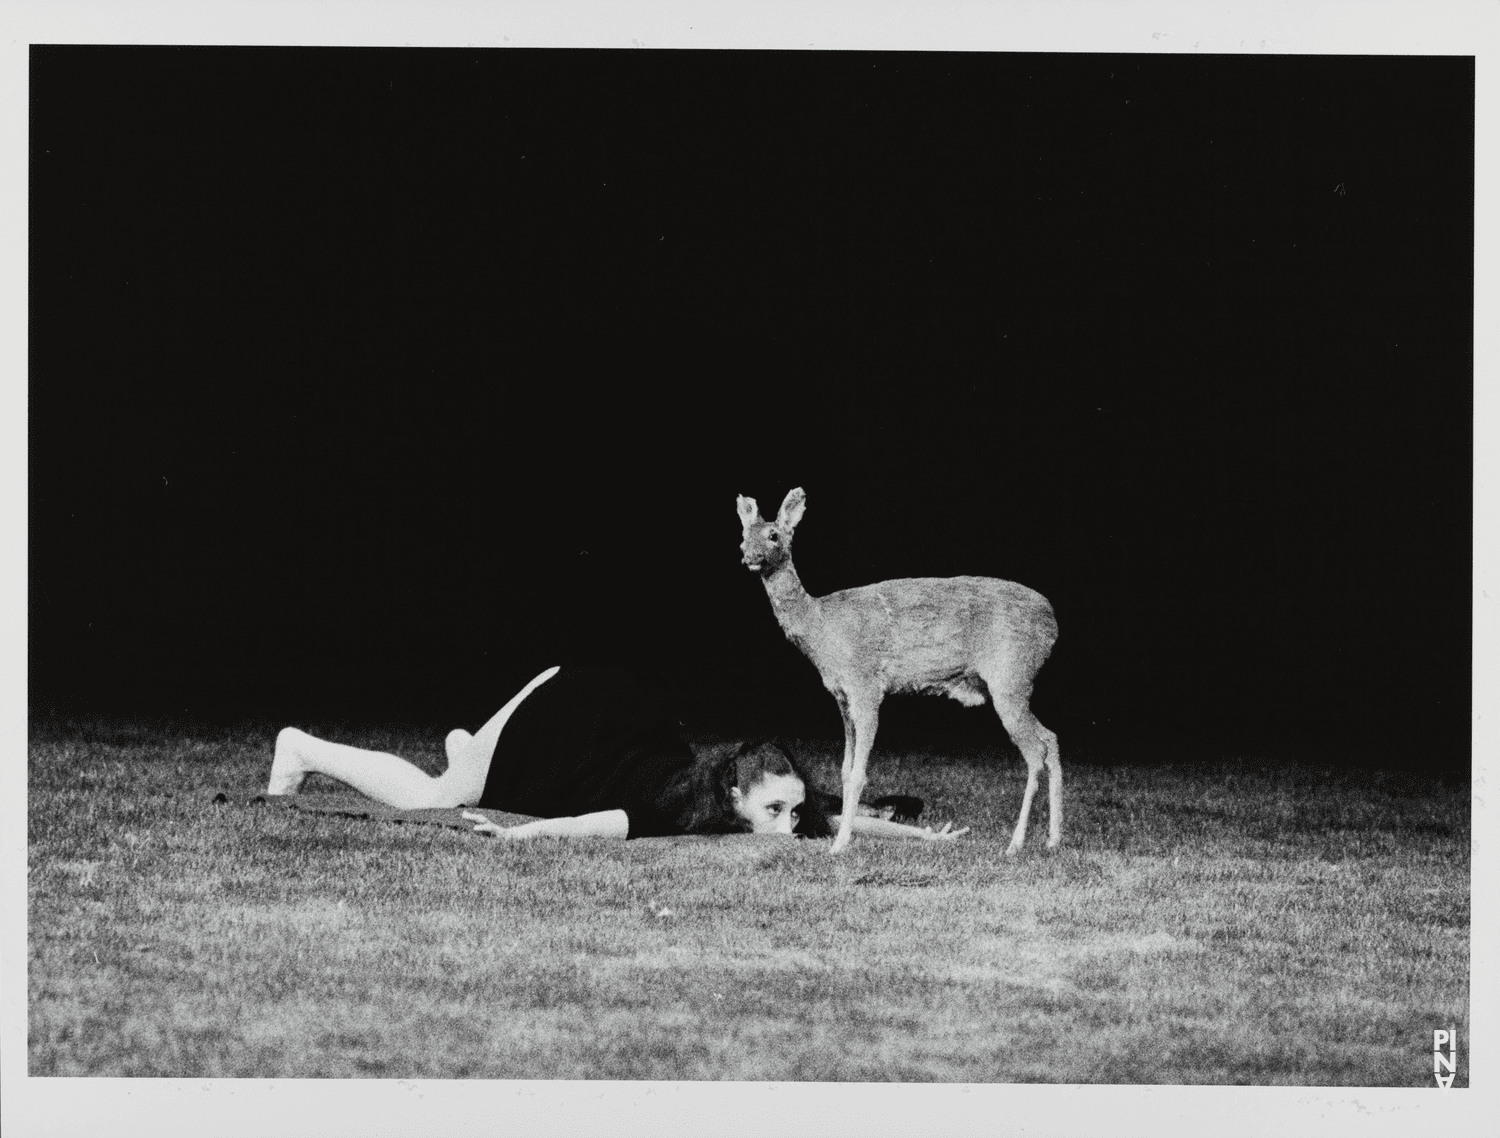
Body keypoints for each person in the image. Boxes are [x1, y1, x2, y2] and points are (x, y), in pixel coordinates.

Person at [267, 665, 968, 842]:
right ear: (732, 797)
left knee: (470, 769)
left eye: (789, 809)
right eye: (775, 810)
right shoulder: (673, 808)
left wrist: (920, 839)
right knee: (438, 798)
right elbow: (595, 826)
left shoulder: (735, 792)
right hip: (569, 719)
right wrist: (522, 837)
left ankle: (473, 747)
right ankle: (301, 749)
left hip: (598, 712)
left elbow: (826, 821)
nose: (789, 824)